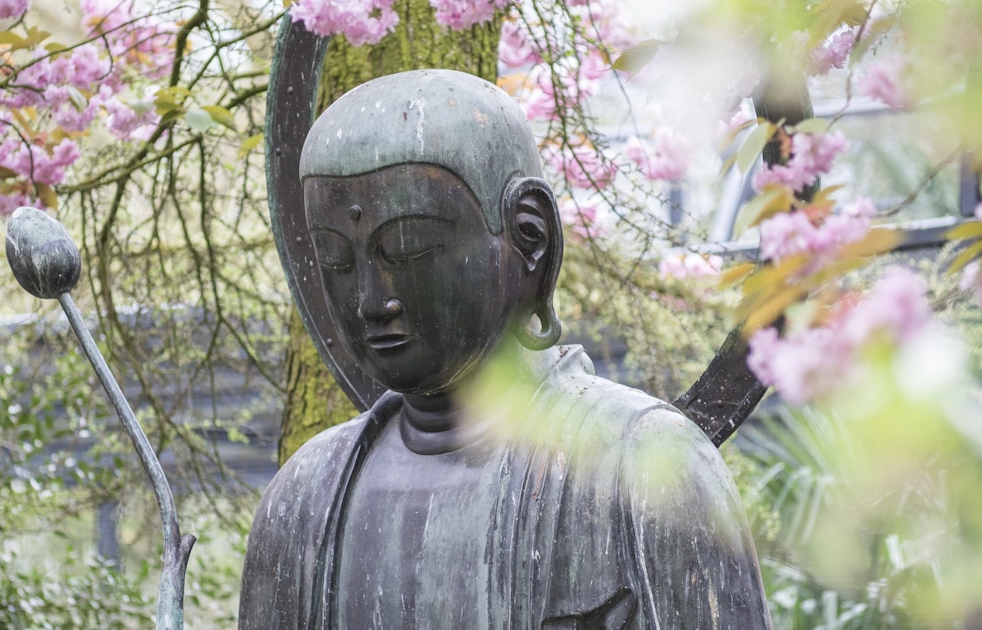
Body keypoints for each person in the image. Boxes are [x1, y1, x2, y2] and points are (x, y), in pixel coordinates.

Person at [239, 69, 771, 629]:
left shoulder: (646, 469)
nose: (373, 300)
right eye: (336, 262)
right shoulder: (302, 502)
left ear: (529, 239)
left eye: (410, 248)